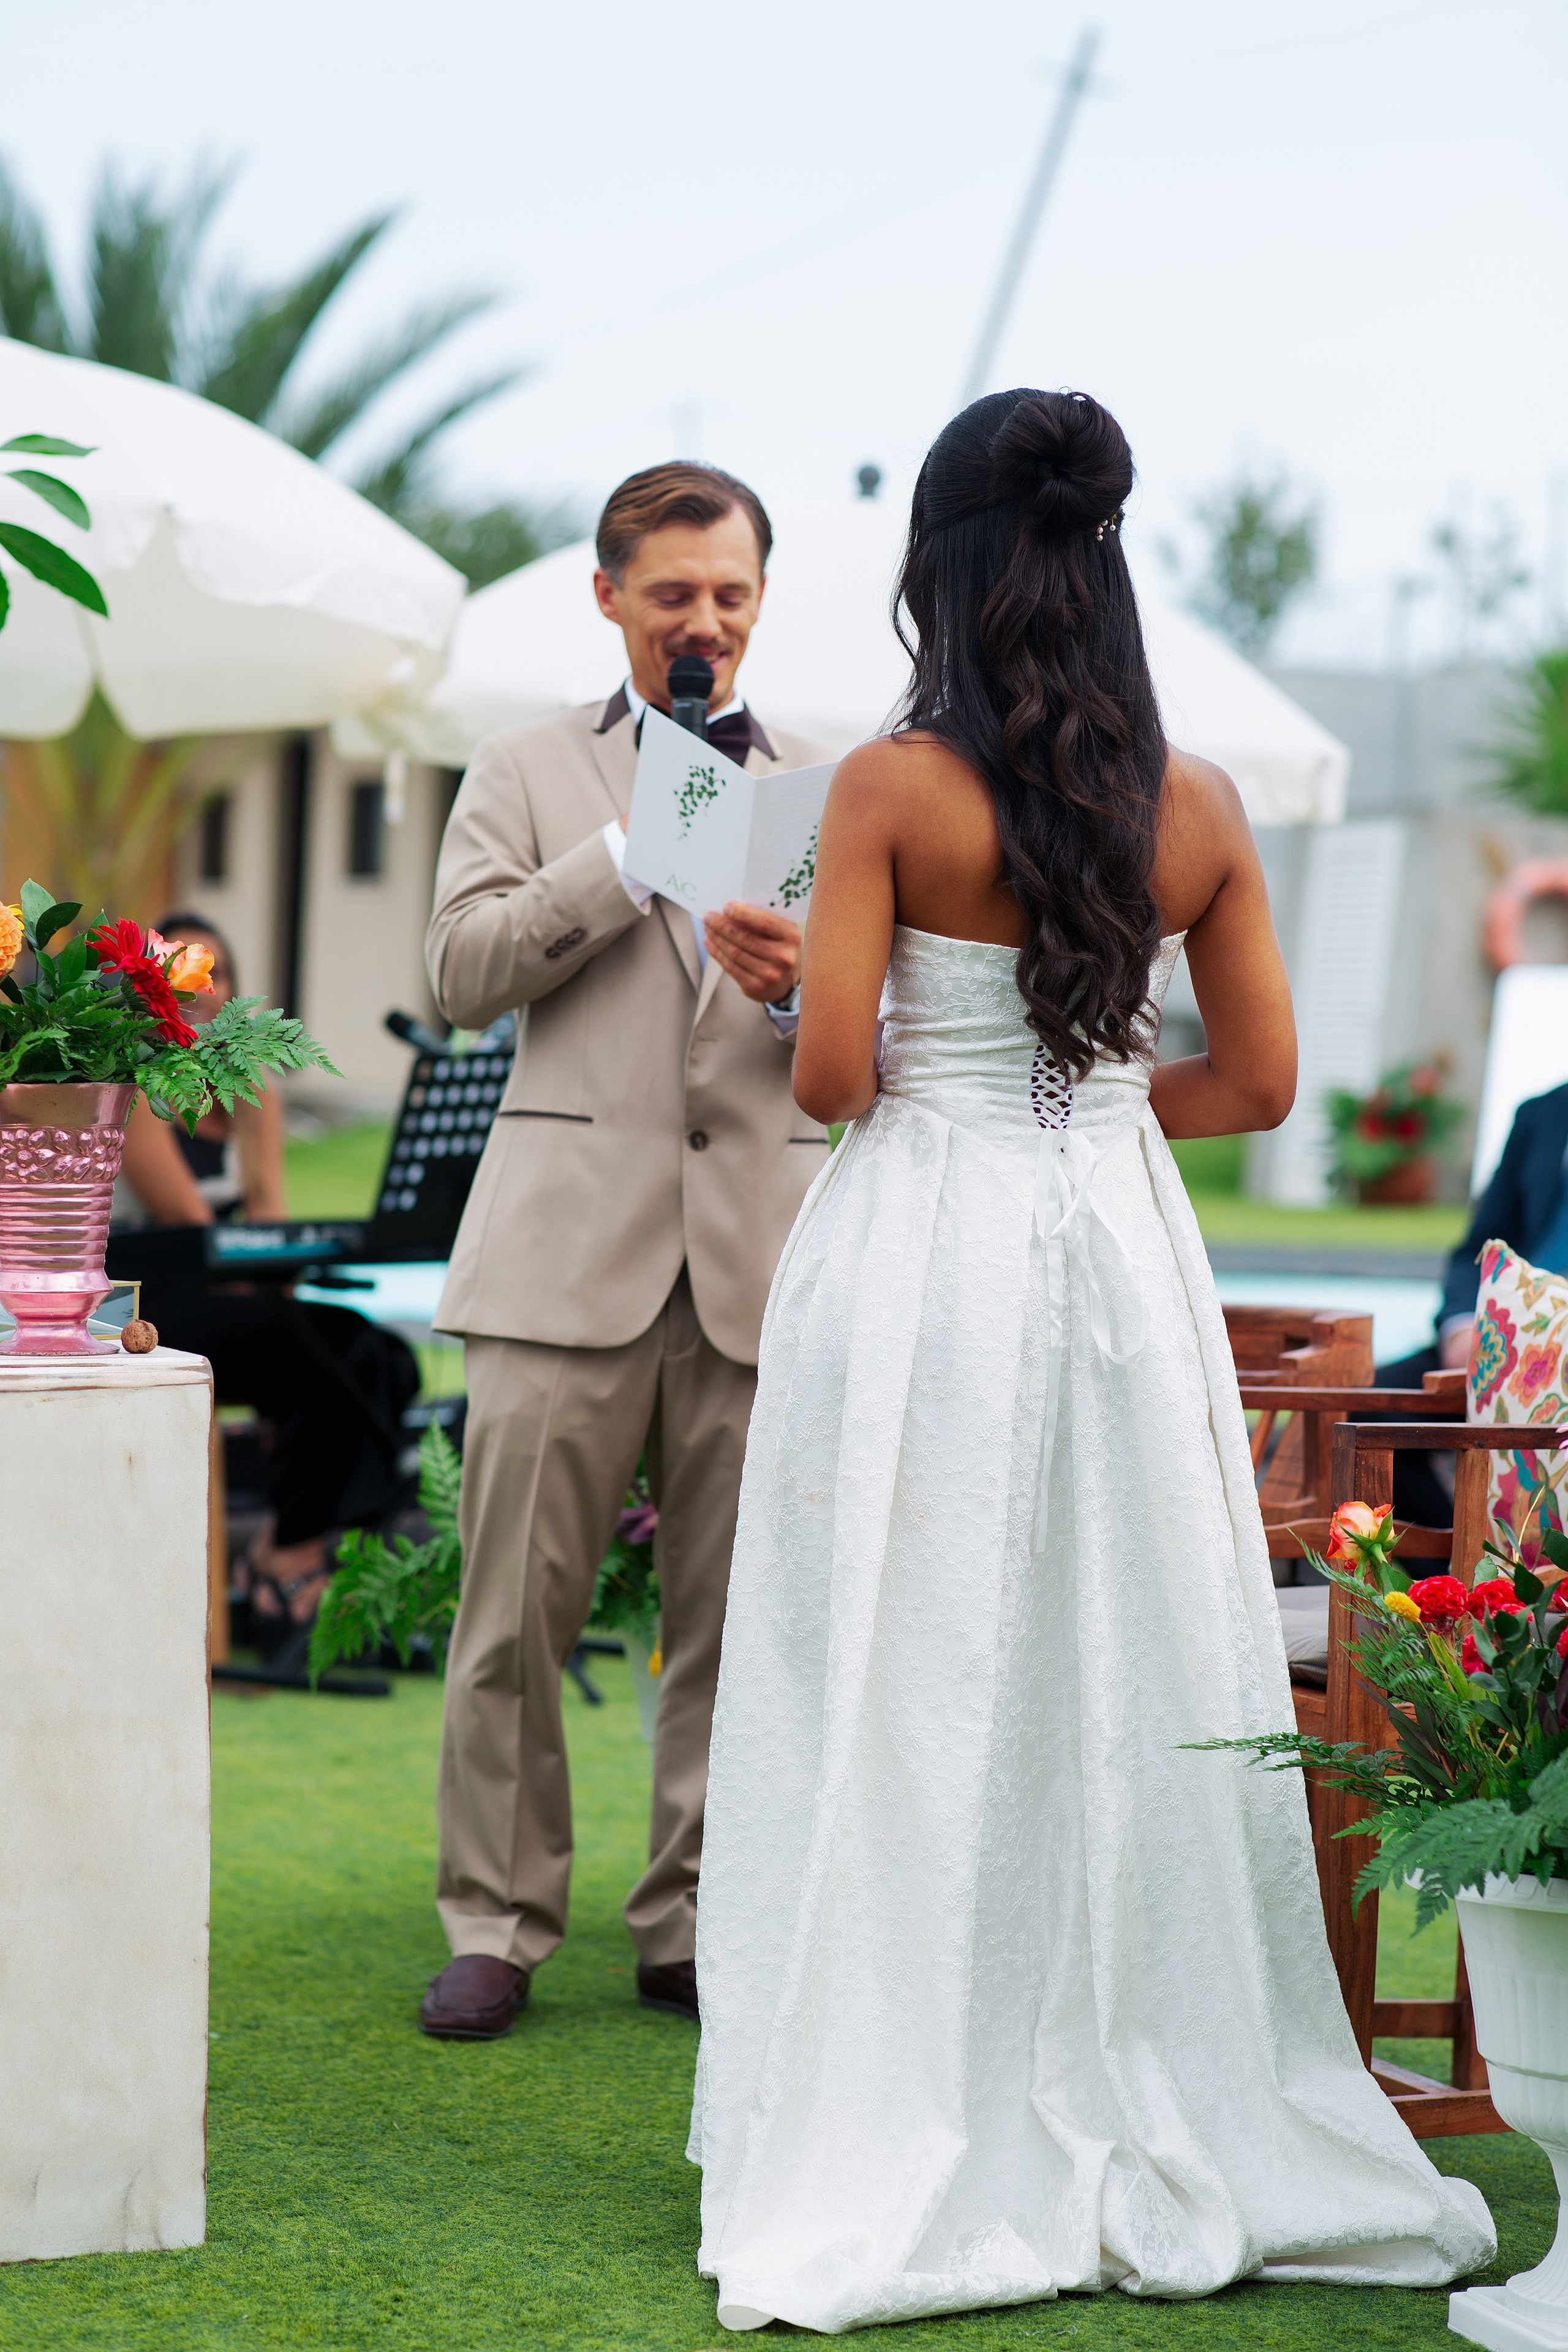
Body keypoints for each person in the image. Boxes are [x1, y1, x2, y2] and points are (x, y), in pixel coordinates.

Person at [689, 392, 1493, 2333]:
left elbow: (825, 1085)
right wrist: (1098, 1080)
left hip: (922, 1248)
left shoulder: (885, 788)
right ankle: (1165, 2061)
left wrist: (786, 974)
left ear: (939, 564)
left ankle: (902, 2082)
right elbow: (1262, 1080)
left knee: (904, 1639)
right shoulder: (1198, 803)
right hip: (1118, 1250)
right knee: (1124, 1632)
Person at [418, 461, 831, 2041]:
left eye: (728, 595)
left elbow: (858, 1023)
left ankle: (691, 1914)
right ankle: (496, 1919)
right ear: (608, 599)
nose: (703, 622)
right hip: (558, 1260)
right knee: (509, 1613)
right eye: (672, 594)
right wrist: (622, 856)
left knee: (734, 1622)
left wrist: (796, 986)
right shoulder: (523, 766)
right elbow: (457, 970)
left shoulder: (826, 783)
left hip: (758, 1259)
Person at [116, 911, 419, 1657]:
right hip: (151, 1303)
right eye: (181, 980)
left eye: (211, 980)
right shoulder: (133, 1088)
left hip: (235, 1291)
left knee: (386, 1357)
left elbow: (268, 1225)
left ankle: (293, 1547)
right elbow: (196, 1232)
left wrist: (251, 1110)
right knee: (326, 1355)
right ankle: (292, 1560)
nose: (200, 998)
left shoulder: (248, 1089)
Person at [1370, 1079, 1568, 1522]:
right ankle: (1458, 1573)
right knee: (1366, 1405)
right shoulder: (1543, 1113)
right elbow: (1477, 1249)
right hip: (1504, 1339)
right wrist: (1462, 1326)